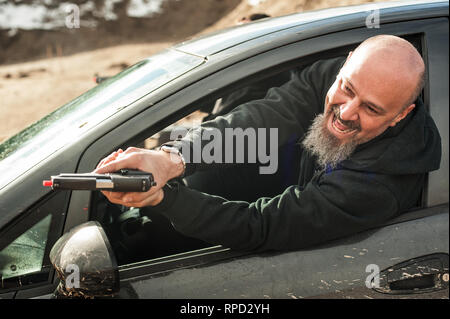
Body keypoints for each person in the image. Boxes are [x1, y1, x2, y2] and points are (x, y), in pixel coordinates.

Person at [95, 35, 441, 252]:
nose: (346, 111)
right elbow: (264, 119)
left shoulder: (380, 185)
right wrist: (172, 159)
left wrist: (164, 196)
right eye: (347, 89)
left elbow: (263, 225)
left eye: (371, 108)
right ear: (348, 62)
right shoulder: (338, 74)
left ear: (400, 115)